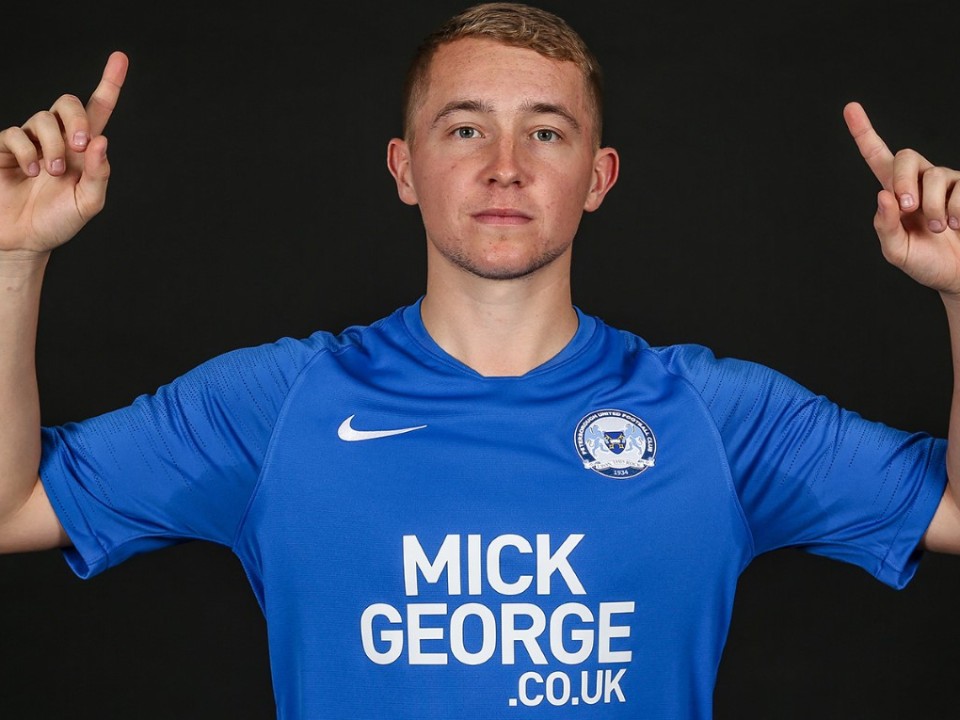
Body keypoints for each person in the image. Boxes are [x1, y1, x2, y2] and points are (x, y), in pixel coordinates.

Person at [1, 2, 959, 718]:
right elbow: (10, 509)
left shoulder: (717, 416)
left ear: (598, 177)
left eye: (546, 131)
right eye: (465, 128)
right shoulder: (277, 405)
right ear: (404, 168)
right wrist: (11, 261)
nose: (506, 164)